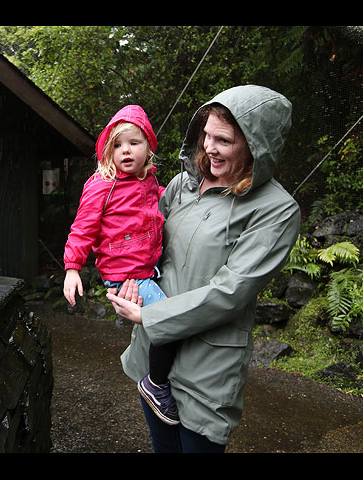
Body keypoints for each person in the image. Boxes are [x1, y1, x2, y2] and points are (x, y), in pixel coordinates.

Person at [107, 85, 301, 453]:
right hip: (154, 354)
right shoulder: (184, 183)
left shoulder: (276, 210)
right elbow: (142, 238)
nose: (208, 147)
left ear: (256, 145)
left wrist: (151, 317)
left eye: (223, 140)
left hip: (207, 365)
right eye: (206, 135)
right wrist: (127, 275)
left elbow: (230, 292)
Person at [62, 105, 179, 425]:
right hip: (126, 275)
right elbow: (82, 227)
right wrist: (72, 268)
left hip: (146, 270)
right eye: (117, 144)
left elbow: (157, 207)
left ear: (148, 148)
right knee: (169, 324)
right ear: (107, 150)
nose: (125, 150)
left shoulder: (149, 182)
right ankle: (156, 384)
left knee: (163, 324)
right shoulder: (102, 184)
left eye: (134, 143)